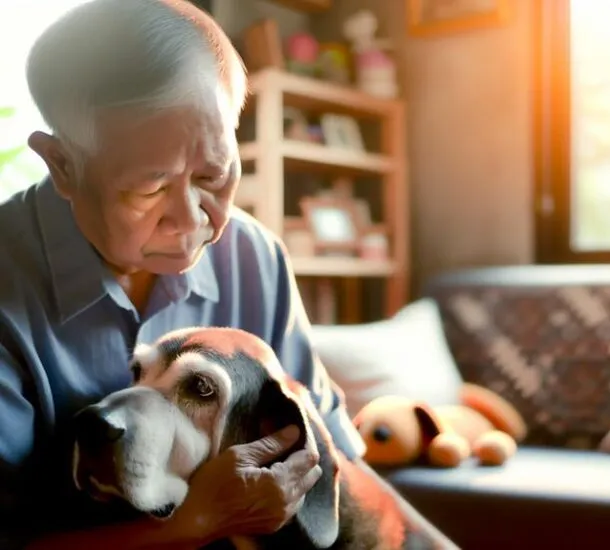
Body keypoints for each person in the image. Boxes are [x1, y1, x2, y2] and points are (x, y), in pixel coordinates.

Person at [0, 1, 457, 548]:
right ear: (63, 166)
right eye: (149, 189)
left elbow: (333, 462)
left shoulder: (252, 255)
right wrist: (201, 521)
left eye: (215, 174)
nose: (196, 218)